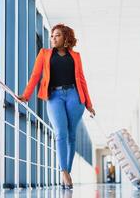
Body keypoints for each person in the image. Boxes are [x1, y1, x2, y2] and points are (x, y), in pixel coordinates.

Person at [18, 23, 95, 189]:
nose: (53, 38)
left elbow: (81, 80)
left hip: (74, 96)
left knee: (72, 135)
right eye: (52, 36)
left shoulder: (75, 56)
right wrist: (26, 95)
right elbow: (35, 75)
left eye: (57, 35)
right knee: (61, 133)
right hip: (54, 97)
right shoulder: (44, 54)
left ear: (66, 38)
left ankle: (67, 171)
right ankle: (64, 172)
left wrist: (89, 104)